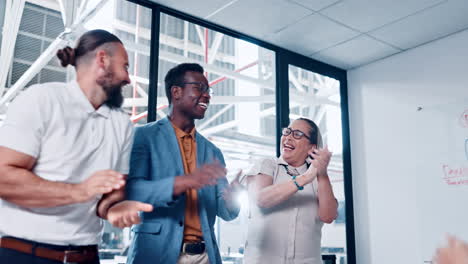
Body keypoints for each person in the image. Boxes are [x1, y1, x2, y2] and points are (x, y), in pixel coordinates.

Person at [0, 29, 138, 264]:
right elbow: (3, 178)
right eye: (125, 67)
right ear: (102, 60)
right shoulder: (40, 100)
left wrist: (113, 208)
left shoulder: (122, 123)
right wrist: (79, 191)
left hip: (86, 257)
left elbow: (112, 192)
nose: (128, 79)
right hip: (25, 255)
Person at [107, 63, 240, 264]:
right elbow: (130, 190)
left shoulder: (213, 152)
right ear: (176, 92)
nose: (207, 96)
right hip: (156, 253)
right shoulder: (143, 136)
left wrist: (231, 199)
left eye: (208, 90)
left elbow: (226, 213)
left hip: (205, 256)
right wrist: (183, 182)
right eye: (199, 88)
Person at [243, 118, 338, 264]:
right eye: (287, 132)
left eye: (297, 134)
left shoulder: (318, 178)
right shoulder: (267, 165)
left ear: (311, 147)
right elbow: (261, 199)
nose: (288, 137)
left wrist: (322, 174)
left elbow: (328, 216)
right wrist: (304, 178)